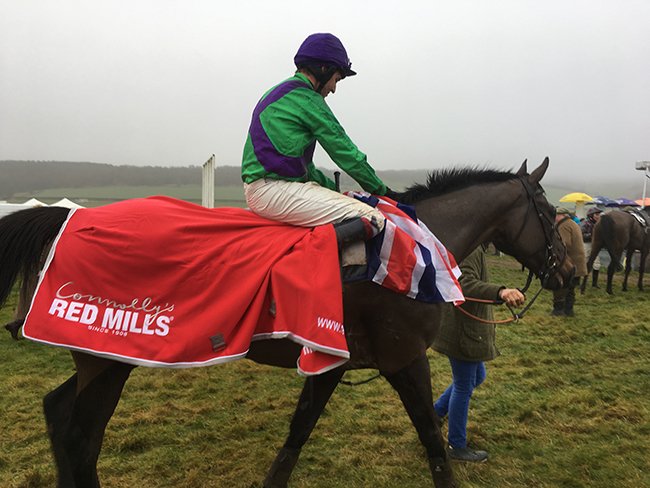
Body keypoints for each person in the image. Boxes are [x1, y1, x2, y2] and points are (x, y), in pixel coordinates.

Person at [241, 33, 396, 242]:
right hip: (273, 190)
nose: (333, 88)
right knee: (372, 218)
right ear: (323, 69)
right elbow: (345, 152)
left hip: (269, 188)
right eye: (336, 79)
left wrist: (333, 189)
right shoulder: (307, 99)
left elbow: (305, 168)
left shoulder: (280, 92)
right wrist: (383, 191)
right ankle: (326, 261)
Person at [432, 244, 525, 462]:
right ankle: (456, 446)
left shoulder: (474, 245)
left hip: (463, 329)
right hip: (463, 331)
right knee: (463, 385)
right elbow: (463, 283)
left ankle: (434, 414)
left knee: (477, 376)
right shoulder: (471, 248)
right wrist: (501, 292)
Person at [552, 208, 587, 316]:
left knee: (561, 287)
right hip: (577, 262)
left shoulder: (564, 226)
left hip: (569, 263)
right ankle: (569, 310)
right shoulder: (572, 223)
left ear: (562, 215)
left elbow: (564, 243)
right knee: (570, 288)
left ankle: (559, 310)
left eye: (556, 215)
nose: (554, 218)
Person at [580, 207, 603, 288]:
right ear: (591, 215)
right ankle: (578, 281)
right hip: (586, 244)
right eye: (596, 214)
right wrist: (592, 235)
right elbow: (581, 235)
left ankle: (594, 283)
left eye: (599, 214)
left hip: (595, 245)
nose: (598, 216)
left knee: (597, 264)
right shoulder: (585, 223)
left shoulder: (599, 224)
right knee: (584, 262)